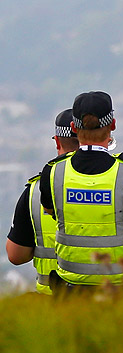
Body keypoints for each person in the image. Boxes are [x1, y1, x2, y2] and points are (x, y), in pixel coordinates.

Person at [39, 91, 123, 293]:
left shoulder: (53, 173)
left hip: (68, 298)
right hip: (121, 297)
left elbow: (53, 213)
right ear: (113, 124)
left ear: (73, 127)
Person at [6, 109, 80, 294]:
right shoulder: (115, 183)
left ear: (56, 141)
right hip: (109, 299)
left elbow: (15, 255)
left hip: (52, 301)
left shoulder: (34, 192)